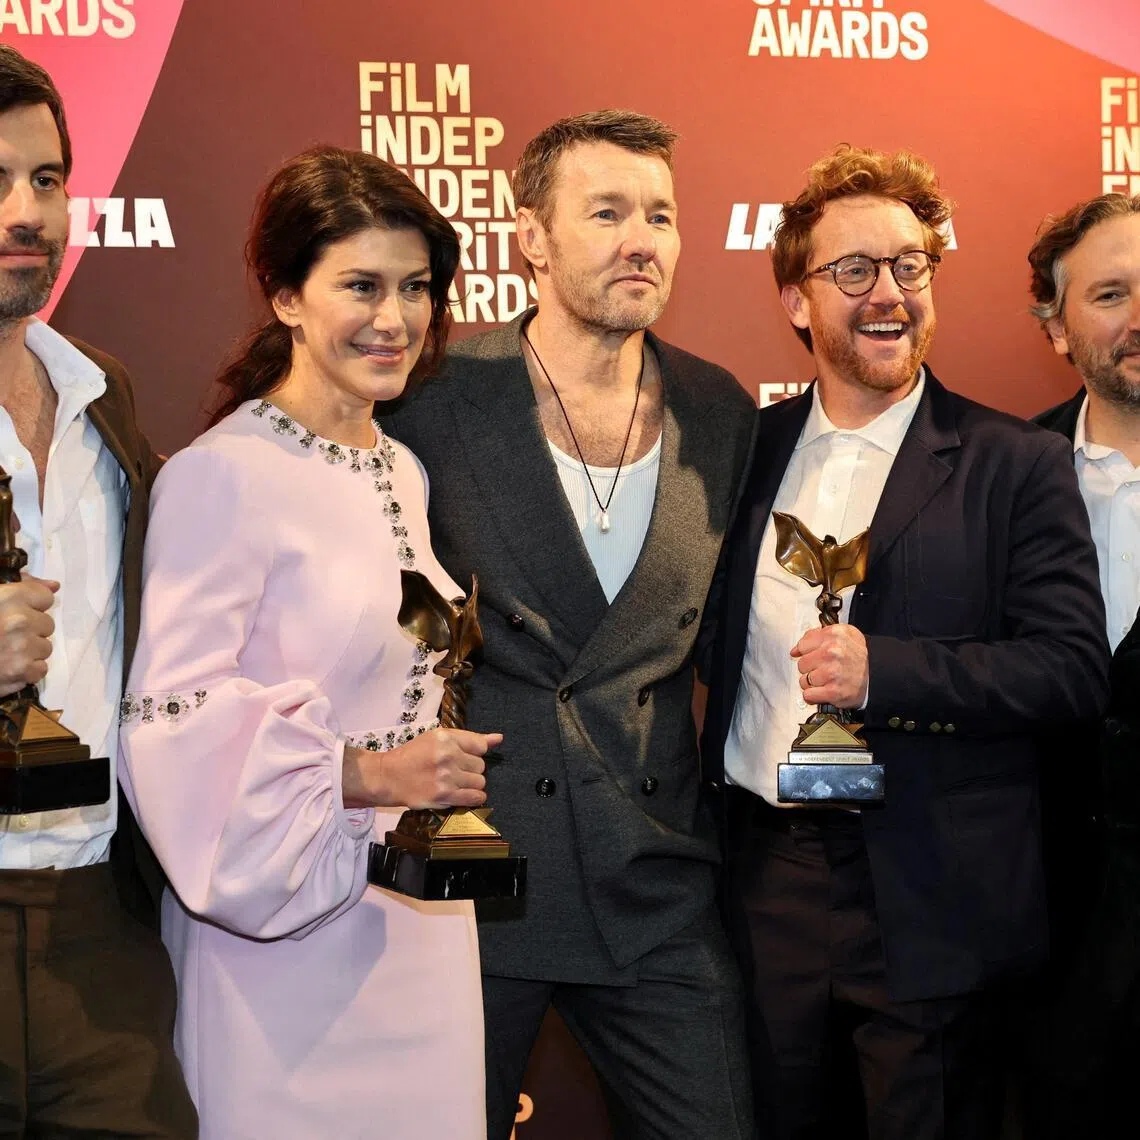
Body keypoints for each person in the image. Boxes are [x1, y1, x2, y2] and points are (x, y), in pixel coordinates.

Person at [699, 144, 1110, 1140]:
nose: (889, 294)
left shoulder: (1017, 463)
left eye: (911, 267)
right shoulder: (739, 455)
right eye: (855, 272)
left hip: (933, 892)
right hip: (767, 884)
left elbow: (1070, 671)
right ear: (797, 299)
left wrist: (890, 672)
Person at [384, 110, 757, 1140]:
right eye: (607, 212)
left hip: (658, 882)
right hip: (477, 882)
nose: (642, 238)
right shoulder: (436, 396)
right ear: (533, 238)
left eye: (662, 215)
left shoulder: (720, 412)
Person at [118, 146, 497, 1139]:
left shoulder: (403, 468)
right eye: (361, 286)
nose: (397, 317)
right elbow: (170, 722)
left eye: (417, 287)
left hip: (419, 934)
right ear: (285, 296)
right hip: (277, 959)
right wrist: (370, 777)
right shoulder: (221, 476)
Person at [0, 44, 197, 1138]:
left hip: (99, 924)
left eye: (44, 179)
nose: (26, 212)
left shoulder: (102, 393)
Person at [1015, 192, 1140, 1138]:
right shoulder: (999, 474)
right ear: (1057, 328)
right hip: (1042, 947)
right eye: (1111, 294)